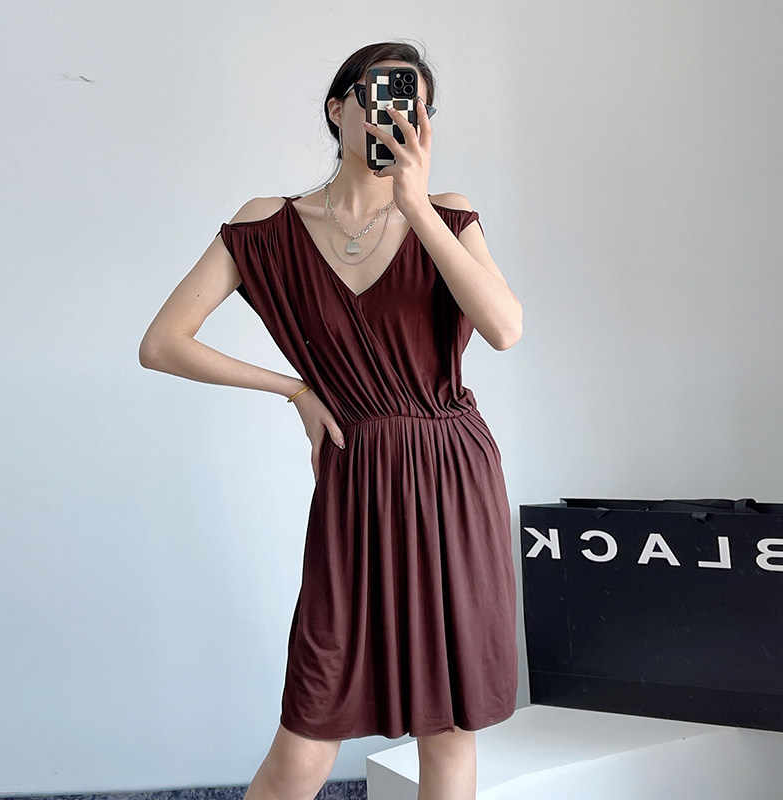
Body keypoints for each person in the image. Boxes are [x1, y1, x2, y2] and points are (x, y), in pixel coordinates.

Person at [139, 40, 523, 800]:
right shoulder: (268, 226)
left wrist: (416, 204)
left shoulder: (446, 213)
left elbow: (505, 329)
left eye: (414, 107)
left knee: (448, 727)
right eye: (380, 98)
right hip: (358, 480)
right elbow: (162, 344)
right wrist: (295, 389)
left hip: (452, 473)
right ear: (338, 108)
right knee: (309, 730)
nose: (394, 117)